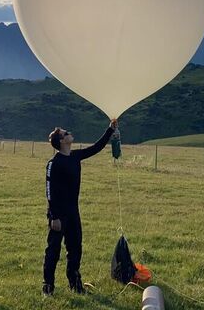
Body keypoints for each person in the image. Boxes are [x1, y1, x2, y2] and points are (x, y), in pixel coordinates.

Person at [42, 119, 118, 295]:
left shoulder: (75, 156)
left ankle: (75, 284)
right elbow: (49, 191)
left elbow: (96, 148)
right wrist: (54, 217)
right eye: (66, 133)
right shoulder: (54, 163)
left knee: (75, 249)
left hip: (73, 212)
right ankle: (48, 287)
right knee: (53, 250)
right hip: (58, 215)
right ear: (61, 141)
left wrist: (110, 130)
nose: (69, 133)